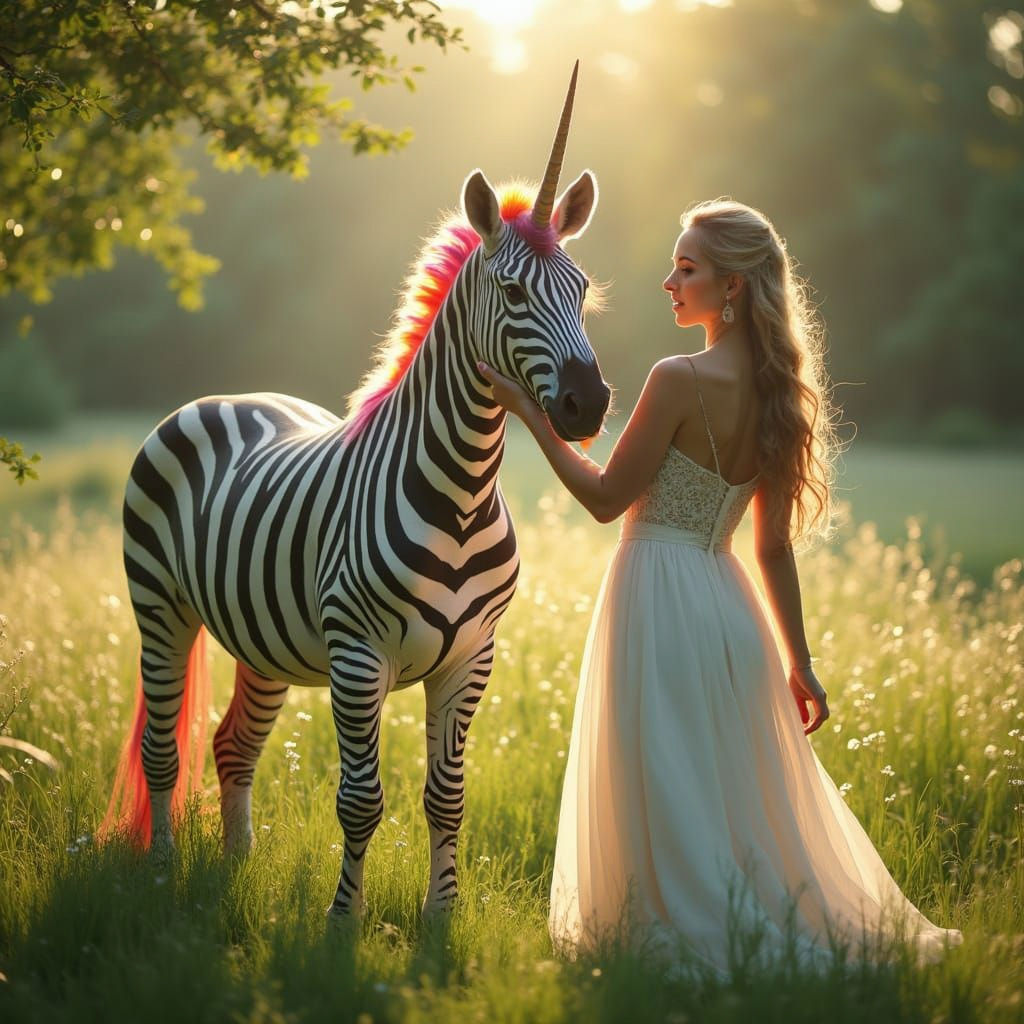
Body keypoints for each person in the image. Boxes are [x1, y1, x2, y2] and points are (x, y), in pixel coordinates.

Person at [476, 198, 963, 977]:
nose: (669, 280)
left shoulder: (677, 378)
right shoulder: (779, 395)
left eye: (687, 268)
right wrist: (800, 662)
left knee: (667, 780)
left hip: (658, 597)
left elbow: (605, 501)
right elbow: (771, 549)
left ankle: (674, 929)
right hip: (729, 603)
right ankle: (725, 919)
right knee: (723, 790)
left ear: (732, 287)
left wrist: (529, 411)